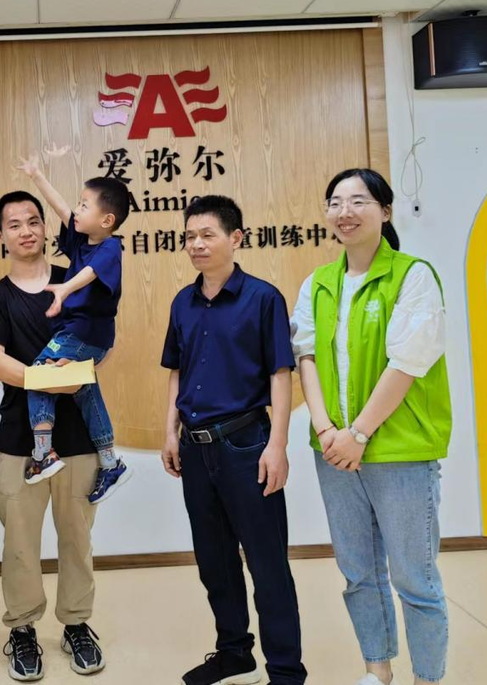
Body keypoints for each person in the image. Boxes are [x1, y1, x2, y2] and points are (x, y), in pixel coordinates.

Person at [290, 168, 451, 685]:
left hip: (399, 451)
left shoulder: (413, 275)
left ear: (385, 211)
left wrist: (357, 433)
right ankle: (377, 671)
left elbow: (407, 363)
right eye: (335, 202)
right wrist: (325, 430)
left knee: (415, 578)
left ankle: (427, 679)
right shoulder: (317, 283)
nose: (345, 212)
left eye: (359, 201)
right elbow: (305, 356)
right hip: (335, 453)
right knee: (359, 573)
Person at [161, 195, 306, 685]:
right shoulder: (182, 302)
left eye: (207, 234)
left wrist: (277, 445)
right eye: (189, 236)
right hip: (195, 447)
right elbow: (177, 372)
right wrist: (169, 431)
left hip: (247, 444)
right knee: (215, 560)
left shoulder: (263, 298)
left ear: (235, 238)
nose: (196, 244)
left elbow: (280, 374)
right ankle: (234, 652)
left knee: (267, 563)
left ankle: (285, 671)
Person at [0, 190, 106, 681]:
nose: (26, 230)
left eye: (33, 220)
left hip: (78, 437)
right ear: (0, 236)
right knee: (20, 542)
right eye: (14, 224)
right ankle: (22, 629)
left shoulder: (72, 283)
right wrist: (49, 380)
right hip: (19, 440)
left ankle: (76, 624)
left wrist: (77, 372)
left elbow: (100, 343)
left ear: (45, 227)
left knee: (77, 538)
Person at [15, 156, 131, 503]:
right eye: (79, 204)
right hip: (81, 333)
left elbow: (91, 273)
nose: (77, 210)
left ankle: (42, 454)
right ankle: (110, 461)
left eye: (85, 205)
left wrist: (65, 288)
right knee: (83, 389)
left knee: (38, 374)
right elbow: (62, 208)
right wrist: (37, 176)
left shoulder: (110, 247)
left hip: (84, 333)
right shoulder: (82, 240)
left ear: (107, 220)